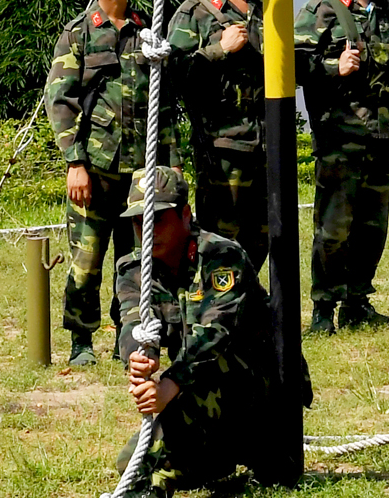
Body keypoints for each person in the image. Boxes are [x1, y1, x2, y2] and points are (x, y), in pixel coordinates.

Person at [114, 164, 294, 496]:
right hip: (198, 387)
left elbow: (215, 332)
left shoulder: (220, 256)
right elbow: (133, 322)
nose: (147, 231)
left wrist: (170, 383)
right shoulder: (134, 269)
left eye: (157, 219)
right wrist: (139, 358)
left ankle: (248, 449)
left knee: (153, 463)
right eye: (139, 222)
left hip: (256, 386)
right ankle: (216, 458)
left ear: (185, 215)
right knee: (131, 464)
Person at [44, 0, 178, 366]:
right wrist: (75, 163)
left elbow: (163, 101)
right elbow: (59, 100)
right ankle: (81, 339)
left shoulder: (146, 30)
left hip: (140, 169)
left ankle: (130, 335)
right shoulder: (79, 33)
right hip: (96, 168)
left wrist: (170, 163)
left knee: (137, 259)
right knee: (87, 260)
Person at [294, 0, 389, 334]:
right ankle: (324, 309)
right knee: (333, 228)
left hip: (379, 137)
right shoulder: (322, 8)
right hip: (340, 139)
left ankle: (358, 302)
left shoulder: (385, 7)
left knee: (372, 226)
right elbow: (291, 66)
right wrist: (334, 67)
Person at [166, 0, 266, 275]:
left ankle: (247, 303)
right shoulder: (194, 12)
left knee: (263, 237)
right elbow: (172, 76)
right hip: (222, 148)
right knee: (221, 242)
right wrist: (218, 50)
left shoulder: (263, 9)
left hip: (265, 146)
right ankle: (216, 304)